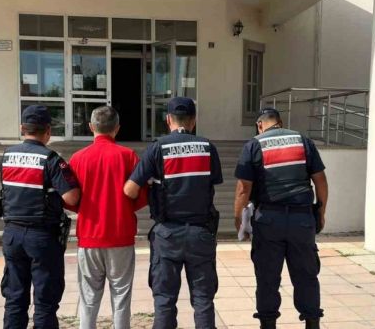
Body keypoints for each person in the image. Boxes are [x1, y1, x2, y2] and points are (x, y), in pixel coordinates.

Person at [123, 97, 223, 329]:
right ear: (193, 120)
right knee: (203, 300)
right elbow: (212, 183)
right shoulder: (208, 148)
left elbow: (129, 190)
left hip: (167, 234)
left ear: (168, 119)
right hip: (201, 233)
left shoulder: (157, 148)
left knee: (165, 301)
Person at [233, 107, 329, 329]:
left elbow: (243, 188)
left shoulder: (254, 145)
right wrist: (321, 212)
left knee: (267, 278)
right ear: (280, 122)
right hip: (302, 219)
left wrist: (239, 219)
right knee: (306, 276)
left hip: (268, 221)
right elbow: (321, 180)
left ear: (259, 125)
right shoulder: (303, 141)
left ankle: (268, 324)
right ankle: (312, 323)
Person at [0, 105, 81, 329]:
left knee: (14, 298)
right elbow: (72, 197)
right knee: (45, 301)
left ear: (22, 128)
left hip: (12, 234)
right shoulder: (51, 159)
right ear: (48, 131)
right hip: (41, 237)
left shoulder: (7, 156)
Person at [68, 106, 148, 329]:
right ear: (117, 128)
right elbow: (140, 196)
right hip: (121, 235)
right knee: (121, 296)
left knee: (88, 298)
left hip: (89, 235)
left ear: (91, 127)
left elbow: (71, 199)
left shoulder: (78, 158)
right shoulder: (128, 156)